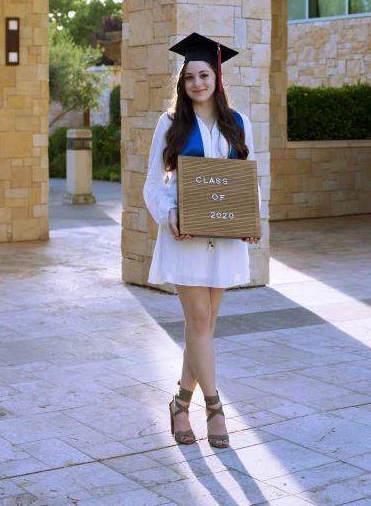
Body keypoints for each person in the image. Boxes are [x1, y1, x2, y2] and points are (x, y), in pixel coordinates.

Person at [143, 32, 260, 449]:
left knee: (205, 327)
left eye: (204, 75)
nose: (197, 83)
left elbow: (248, 180)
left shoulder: (240, 123)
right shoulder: (171, 123)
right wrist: (168, 212)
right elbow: (152, 184)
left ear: (217, 77)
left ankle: (179, 403)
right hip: (185, 234)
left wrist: (250, 219)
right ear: (183, 81)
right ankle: (215, 409)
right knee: (197, 322)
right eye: (190, 76)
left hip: (225, 238)